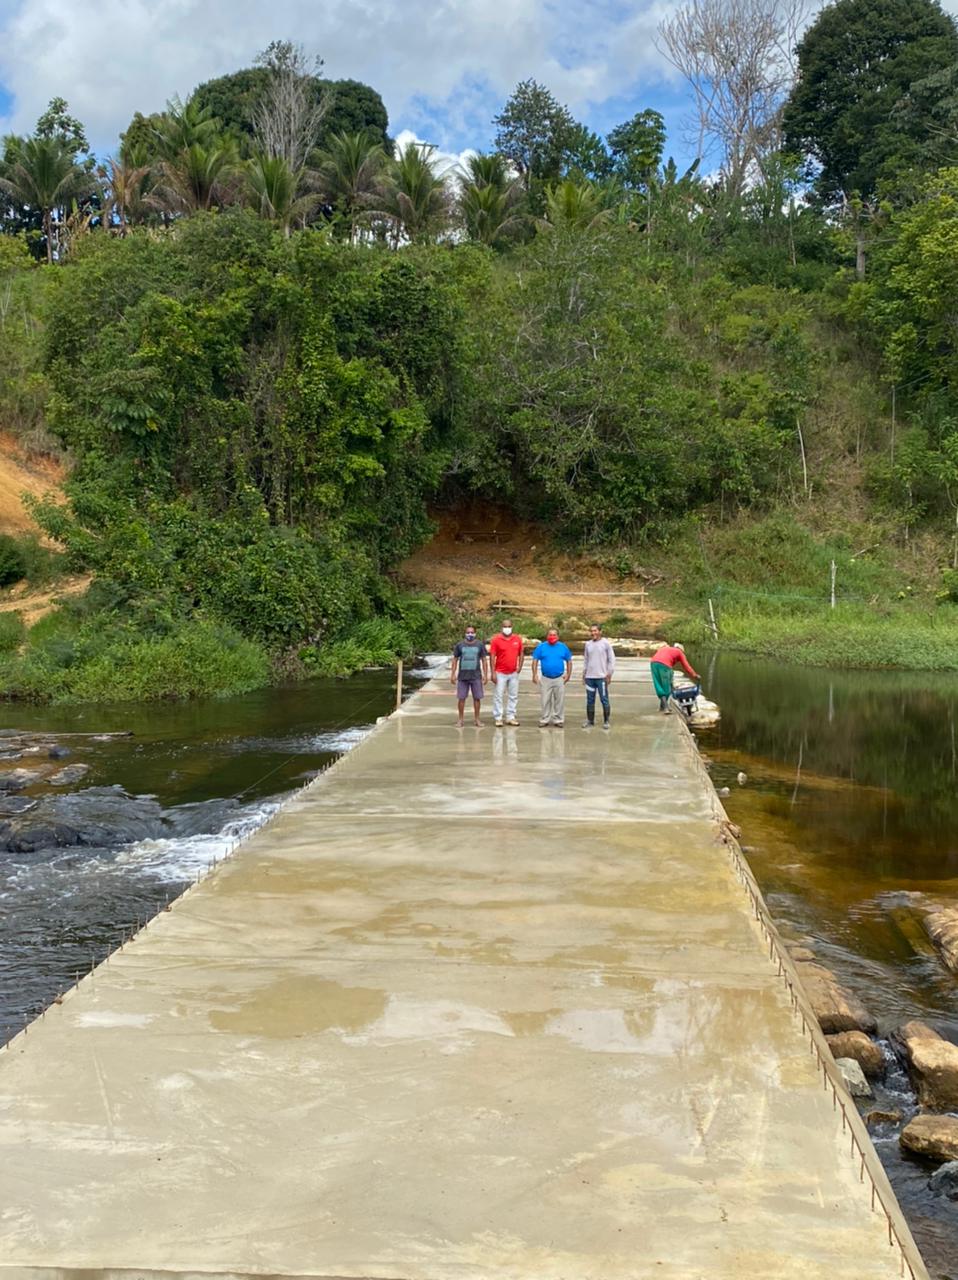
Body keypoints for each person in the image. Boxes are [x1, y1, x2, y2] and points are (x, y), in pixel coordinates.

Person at [531, 628, 573, 727]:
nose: (552, 637)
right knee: (545, 700)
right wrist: (534, 674)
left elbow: (569, 661)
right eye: (550, 635)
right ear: (547, 636)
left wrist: (568, 674)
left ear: (558, 636)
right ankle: (545, 719)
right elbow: (535, 661)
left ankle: (558, 720)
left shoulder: (563, 647)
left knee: (559, 700)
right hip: (546, 678)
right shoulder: (541, 647)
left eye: (554, 635)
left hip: (559, 678)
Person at [488, 618, 524, 727]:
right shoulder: (496, 640)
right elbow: (492, 656)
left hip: (513, 673)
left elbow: (521, 653)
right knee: (498, 695)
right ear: (501, 627)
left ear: (512, 627)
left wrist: (520, 667)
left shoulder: (517, 639)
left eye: (509, 626)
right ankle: (498, 717)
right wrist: (493, 672)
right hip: (500, 673)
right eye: (505, 626)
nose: (507, 629)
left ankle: (510, 717)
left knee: (513, 695)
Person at [451, 625, 489, 727]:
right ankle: (460, 719)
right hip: (462, 677)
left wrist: (486, 675)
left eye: (472, 632)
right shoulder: (460, 645)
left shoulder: (480, 645)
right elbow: (455, 659)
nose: (470, 634)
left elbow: (484, 660)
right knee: (461, 698)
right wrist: (452, 674)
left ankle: (477, 719)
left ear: (475, 633)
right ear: (465, 633)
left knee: (477, 698)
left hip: (476, 676)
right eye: (468, 632)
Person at [650, 641, 700, 713]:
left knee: (658, 684)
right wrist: (694, 675)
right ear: (681, 650)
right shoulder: (679, 652)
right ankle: (666, 708)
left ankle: (662, 706)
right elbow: (686, 666)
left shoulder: (665, 648)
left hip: (653, 663)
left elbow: (660, 656)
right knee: (666, 687)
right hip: (665, 665)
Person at [582, 623, 615, 729]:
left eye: (595, 631)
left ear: (600, 631)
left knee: (604, 699)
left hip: (602, 677)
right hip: (590, 677)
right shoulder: (588, 644)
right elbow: (586, 660)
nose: (593, 633)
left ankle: (606, 721)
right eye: (591, 631)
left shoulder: (606, 644)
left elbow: (611, 659)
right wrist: (584, 674)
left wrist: (609, 673)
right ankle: (590, 721)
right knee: (590, 700)